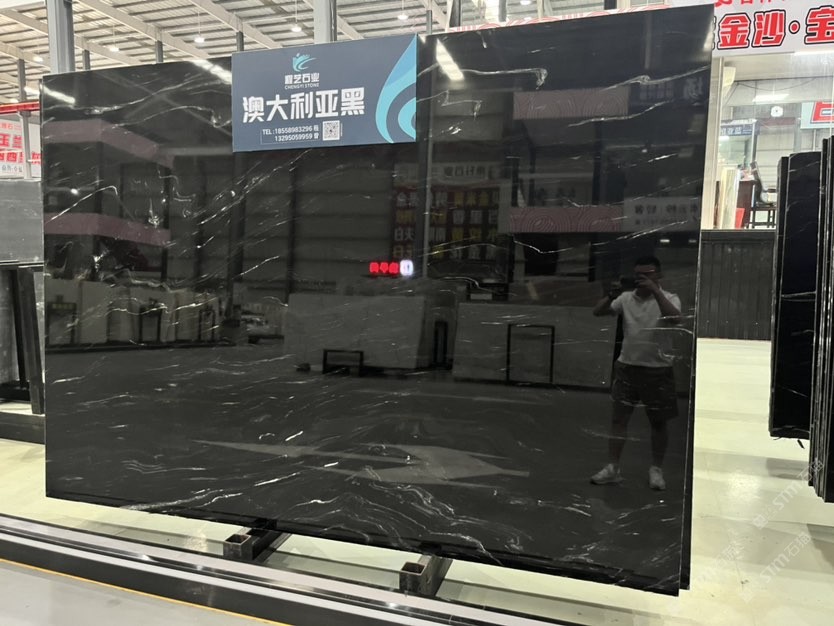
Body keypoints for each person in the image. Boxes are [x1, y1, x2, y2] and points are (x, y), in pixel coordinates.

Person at [590, 256, 682, 491]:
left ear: (658, 275)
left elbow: (675, 318)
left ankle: (656, 469)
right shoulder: (625, 299)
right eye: (638, 274)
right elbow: (597, 312)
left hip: (658, 369)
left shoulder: (670, 298)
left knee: (658, 423)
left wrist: (656, 291)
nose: (642, 278)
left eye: (648, 274)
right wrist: (610, 295)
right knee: (618, 420)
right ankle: (612, 467)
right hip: (627, 367)